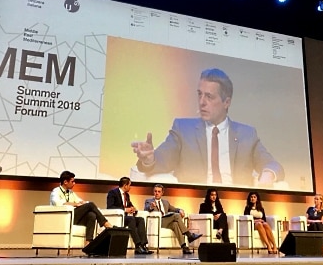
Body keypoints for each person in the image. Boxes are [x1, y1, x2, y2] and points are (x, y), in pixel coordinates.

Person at [130, 68, 284, 187]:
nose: (202, 102)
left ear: (226, 102)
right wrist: (149, 160)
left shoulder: (246, 134)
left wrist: (268, 175)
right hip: (196, 203)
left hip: (237, 202)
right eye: (199, 94)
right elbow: (162, 160)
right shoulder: (183, 129)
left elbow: (273, 165)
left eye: (209, 97)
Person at [50, 170, 114, 246]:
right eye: (72, 181)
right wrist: (75, 204)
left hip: (73, 217)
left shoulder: (71, 193)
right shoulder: (56, 191)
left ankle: (88, 242)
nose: (74, 183)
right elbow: (57, 203)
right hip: (64, 218)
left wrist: (84, 203)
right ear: (65, 182)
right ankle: (105, 223)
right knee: (90, 204)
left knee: (91, 214)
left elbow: (80, 201)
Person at [143, 183, 202, 254]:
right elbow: (146, 209)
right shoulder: (149, 201)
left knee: (175, 224)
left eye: (159, 192)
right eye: (155, 191)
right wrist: (151, 207)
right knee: (176, 216)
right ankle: (189, 235)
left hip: (166, 222)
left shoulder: (165, 202)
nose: (157, 193)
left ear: (162, 193)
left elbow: (173, 209)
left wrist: (180, 210)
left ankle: (184, 247)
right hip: (157, 223)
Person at [106, 177, 153, 255]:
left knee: (140, 219)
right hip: (118, 218)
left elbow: (130, 205)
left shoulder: (126, 195)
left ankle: (143, 245)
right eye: (129, 185)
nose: (130, 187)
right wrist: (124, 209)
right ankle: (137, 245)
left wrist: (133, 209)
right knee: (131, 219)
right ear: (125, 185)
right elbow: (110, 207)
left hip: (127, 218)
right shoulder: (112, 193)